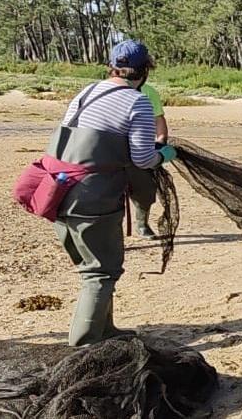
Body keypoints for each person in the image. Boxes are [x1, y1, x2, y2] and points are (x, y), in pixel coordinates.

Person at [52, 40, 176, 346]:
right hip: (93, 198)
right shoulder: (138, 103)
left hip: (57, 191)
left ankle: (106, 330)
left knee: (91, 267)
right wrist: (165, 155)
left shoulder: (86, 92)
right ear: (145, 71)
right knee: (100, 273)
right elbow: (142, 159)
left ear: (112, 66)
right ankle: (85, 346)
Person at [128, 77, 168, 239]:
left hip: (141, 148)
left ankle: (142, 224)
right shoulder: (106, 91)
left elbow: (158, 118)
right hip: (114, 149)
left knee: (145, 190)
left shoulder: (149, 92)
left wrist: (161, 140)